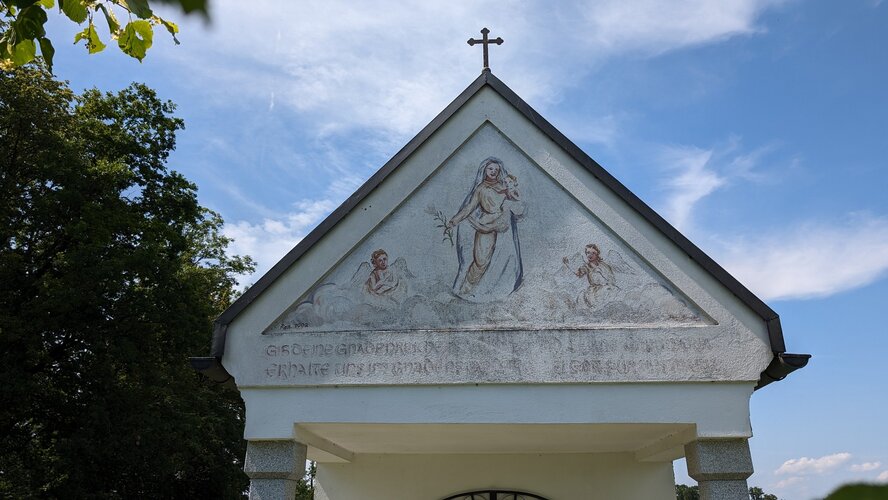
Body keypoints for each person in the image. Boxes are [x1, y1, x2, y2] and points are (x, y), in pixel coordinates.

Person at [446, 157, 524, 301]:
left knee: (506, 258)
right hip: (485, 225)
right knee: (480, 261)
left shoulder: (505, 186)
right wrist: (454, 220)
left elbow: (517, 204)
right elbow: (469, 207)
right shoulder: (480, 189)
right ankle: (466, 290)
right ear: (484, 170)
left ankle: (496, 291)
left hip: (503, 227)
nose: (493, 171)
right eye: (490, 169)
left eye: (496, 169)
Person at [563, 243, 619, 307]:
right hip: (594, 291)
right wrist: (568, 264)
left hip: (606, 288)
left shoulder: (604, 265)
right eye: (588, 253)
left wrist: (609, 285)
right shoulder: (586, 267)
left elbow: (610, 277)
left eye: (593, 253)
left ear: (597, 254)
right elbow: (578, 273)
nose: (590, 255)